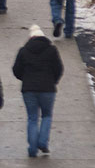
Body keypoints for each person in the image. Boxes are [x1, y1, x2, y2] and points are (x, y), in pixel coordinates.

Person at [12, 24, 64, 157]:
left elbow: (16, 70)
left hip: (29, 89)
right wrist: (54, 81)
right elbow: (59, 69)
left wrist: (25, 79)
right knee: (46, 116)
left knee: (32, 118)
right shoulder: (52, 50)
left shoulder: (23, 51)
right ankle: (43, 142)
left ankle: (32, 148)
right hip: (48, 89)